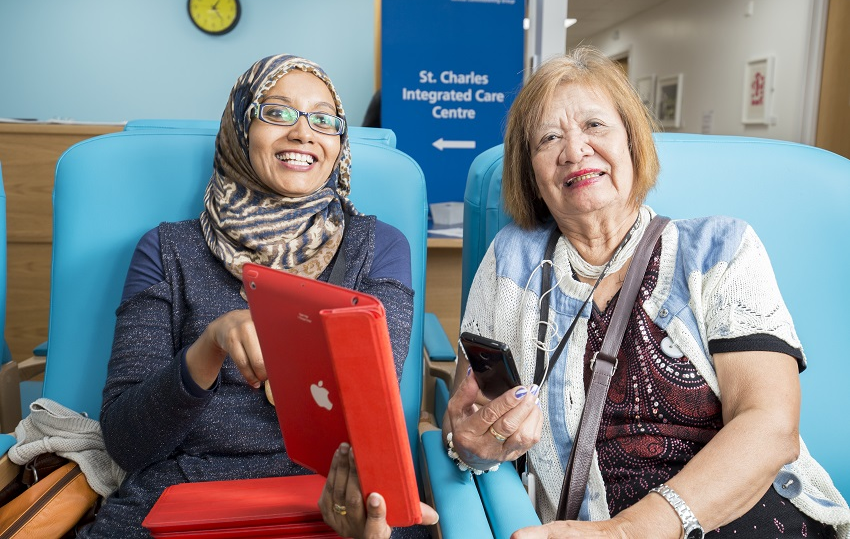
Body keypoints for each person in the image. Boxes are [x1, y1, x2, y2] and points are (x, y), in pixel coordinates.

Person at [442, 46, 850, 538]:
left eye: (594, 126)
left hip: (744, 514)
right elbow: (466, 418)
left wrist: (630, 530)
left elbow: (770, 425)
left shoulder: (721, 249)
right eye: (549, 138)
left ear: (634, 142)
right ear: (531, 173)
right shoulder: (512, 262)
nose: (574, 150)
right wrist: (470, 444)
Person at [77, 54, 437, 538]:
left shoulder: (377, 247)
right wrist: (209, 345)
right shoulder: (167, 251)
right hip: (182, 497)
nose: (304, 132)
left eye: (324, 119)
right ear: (241, 126)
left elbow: (367, 418)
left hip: (335, 495)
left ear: (339, 142)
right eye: (278, 112)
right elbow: (125, 442)